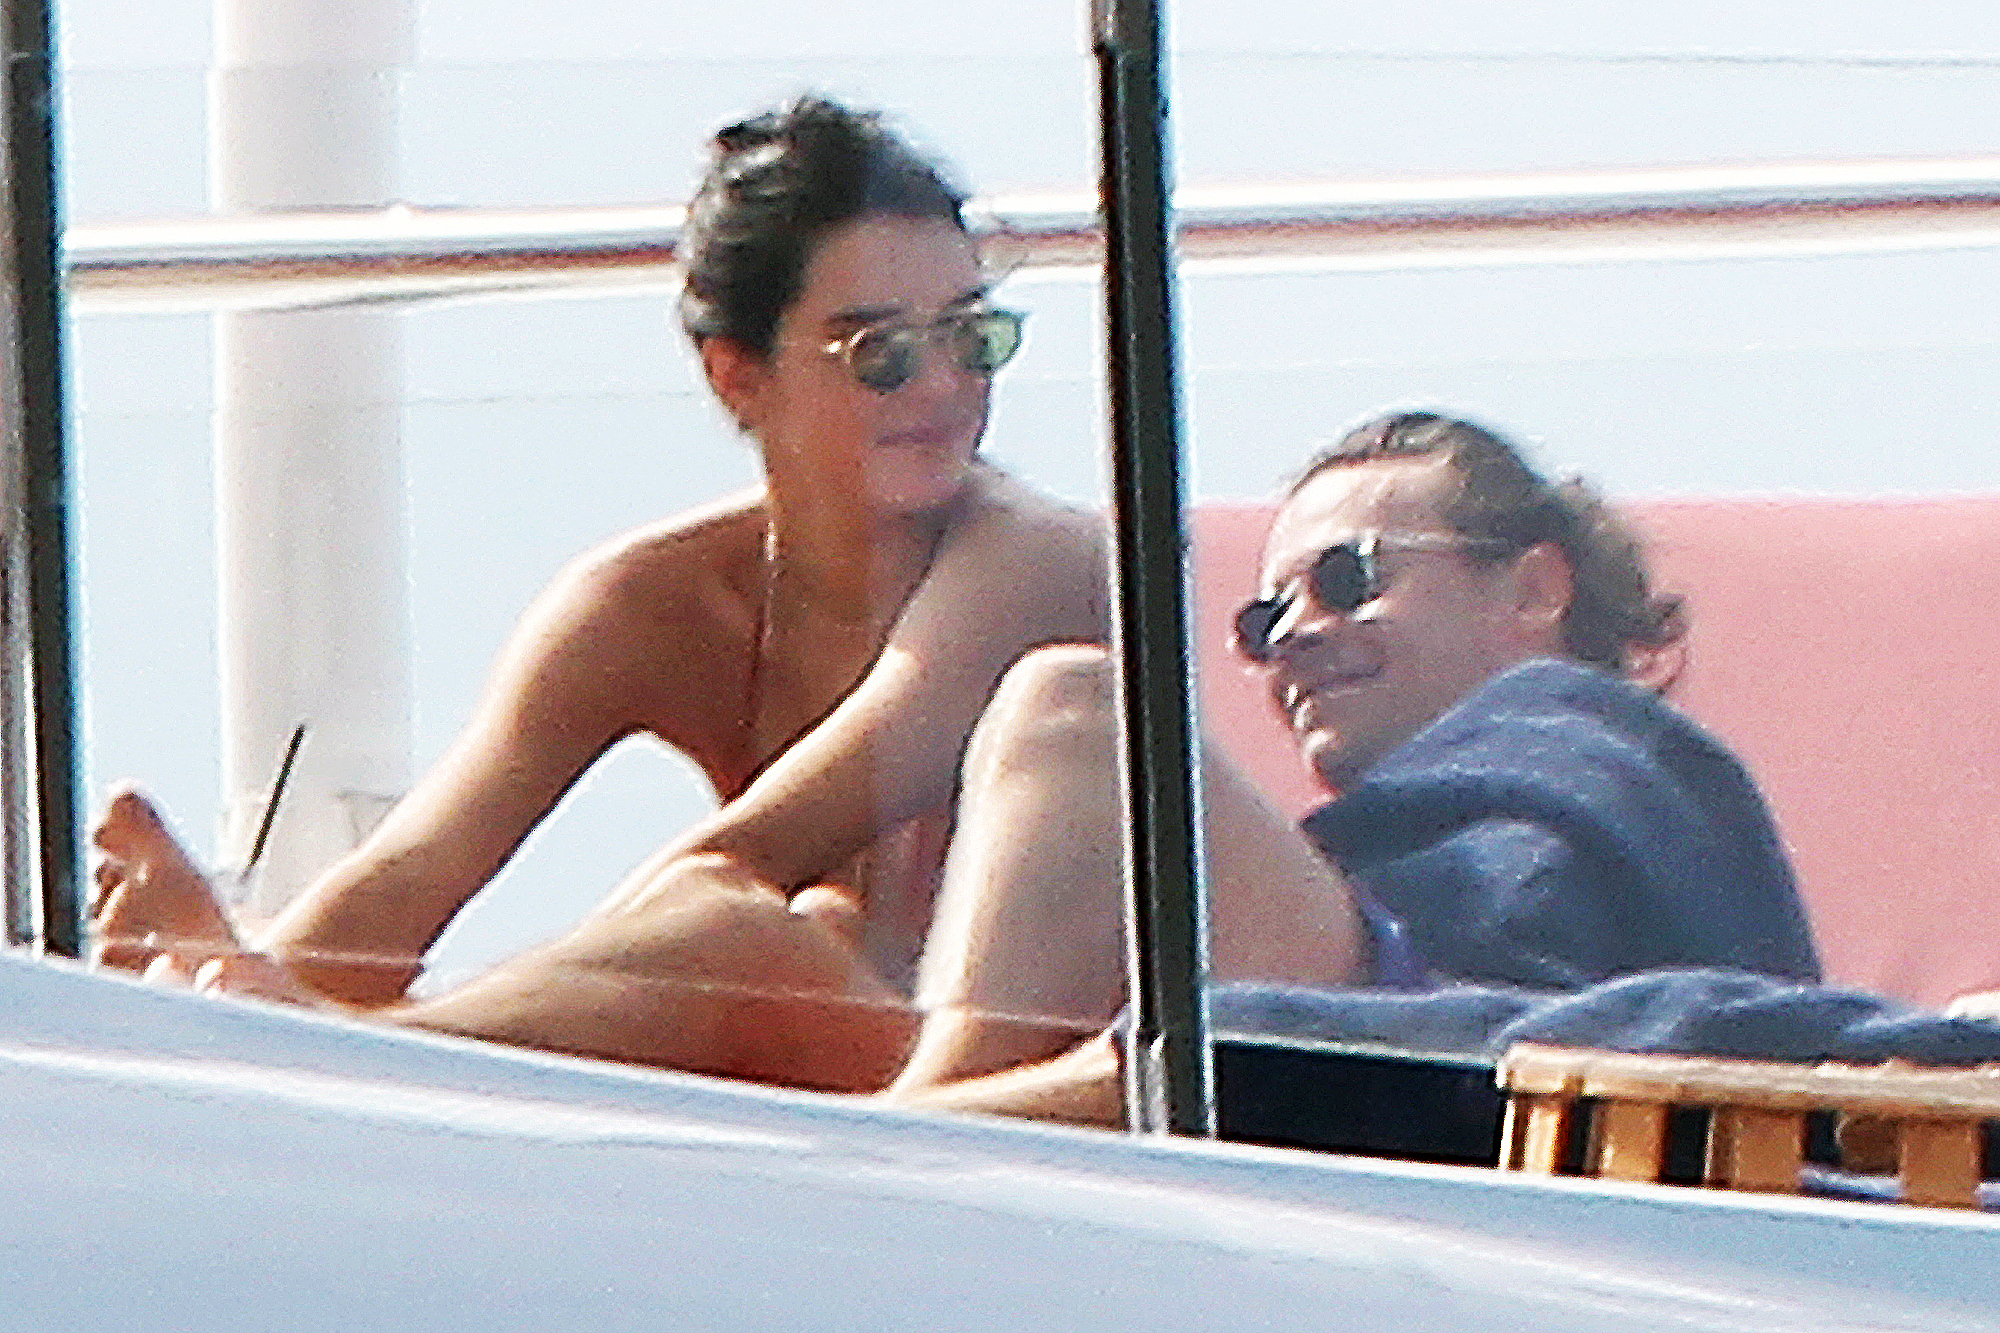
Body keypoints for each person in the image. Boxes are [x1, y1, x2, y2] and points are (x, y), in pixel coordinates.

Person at [87, 94, 1111, 1093]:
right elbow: (411, 876)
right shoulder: (651, 602)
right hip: (826, 1090)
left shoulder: (1033, 561)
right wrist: (241, 977)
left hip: (1000, 1096)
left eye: (972, 338)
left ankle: (335, 1052)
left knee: (746, 934)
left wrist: (307, 1011)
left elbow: (746, 856)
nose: (942, 386)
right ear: (737, 375)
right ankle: (271, 1043)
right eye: (881, 353)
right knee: (767, 931)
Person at [883, 410, 1824, 1123]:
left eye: (1348, 579)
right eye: (1263, 621)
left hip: (1452, 1062)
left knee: (1079, 716)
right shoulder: (1407, 841)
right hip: (1392, 1064)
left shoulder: (1623, 765)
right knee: (805, 942)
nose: (1293, 635)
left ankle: (918, 1140)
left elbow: (1530, 994)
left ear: (1534, 590)